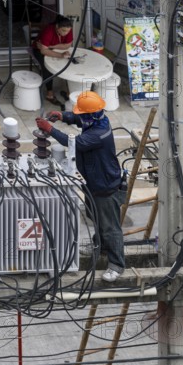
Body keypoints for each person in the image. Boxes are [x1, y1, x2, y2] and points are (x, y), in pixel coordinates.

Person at [35, 91, 126, 282]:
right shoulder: (98, 119)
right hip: (93, 182)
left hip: (105, 186)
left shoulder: (98, 134)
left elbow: (74, 143)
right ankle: (99, 247)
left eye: (83, 114)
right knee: (97, 219)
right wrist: (63, 116)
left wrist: (49, 129)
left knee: (110, 227)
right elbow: (79, 119)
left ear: (90, 115)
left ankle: (116, 265)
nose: (81, 117)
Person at [32, 15, 73, 104]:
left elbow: (67, 45)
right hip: (38, 49)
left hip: (52, 48)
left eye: (68, 31)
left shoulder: (68, 29)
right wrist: (60, 55)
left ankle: (69, 91)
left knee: (69, 64)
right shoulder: (48, 31)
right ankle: (49, 93)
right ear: (57, 27)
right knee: (47, 67)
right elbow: (43, 51)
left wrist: (50, 46)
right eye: (63, 31)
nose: (66, 33)